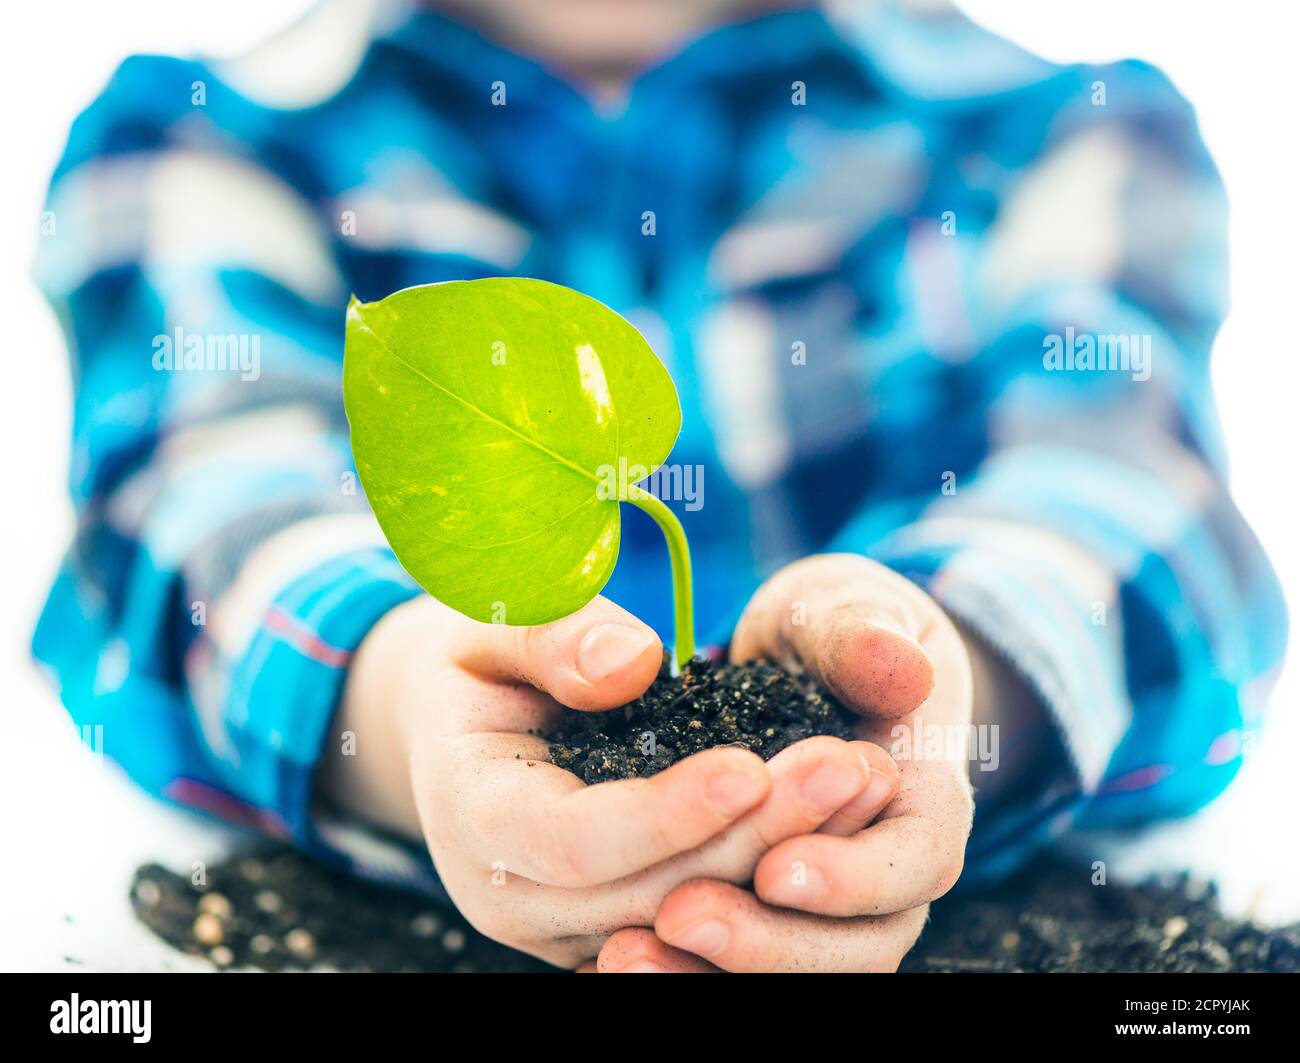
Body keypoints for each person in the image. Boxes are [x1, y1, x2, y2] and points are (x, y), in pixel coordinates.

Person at [33, 0, 1286, 972]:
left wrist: (937, 677)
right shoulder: (206, 136)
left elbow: (1128, 498)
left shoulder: (1066, 130)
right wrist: (415, 707)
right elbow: (194, 508)